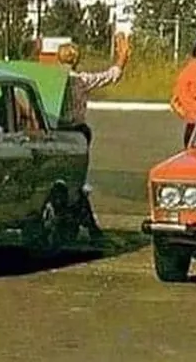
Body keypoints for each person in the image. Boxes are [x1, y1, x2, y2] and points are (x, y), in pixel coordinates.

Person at [56, 32, 131, 239]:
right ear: (76, 60)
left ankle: (71, 221)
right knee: (77, 179)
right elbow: (112, 75)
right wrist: (122, 56)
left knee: (60, 178)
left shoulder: (51, 82)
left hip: (55, 133)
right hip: (78, 133)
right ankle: (87, 224)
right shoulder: (82, 80)